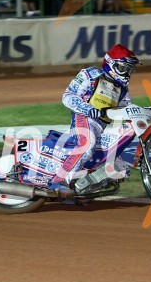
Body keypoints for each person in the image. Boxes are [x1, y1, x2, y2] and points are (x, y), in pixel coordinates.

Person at [48, 44, 141, 193]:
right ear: (111, 64)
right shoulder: (89, 74)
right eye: (123, 68)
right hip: (83, 119)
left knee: (121, 169)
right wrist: (88, 109)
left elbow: (126, 109)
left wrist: (142, 113)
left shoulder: (122, 90)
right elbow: (67, 97)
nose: (126, 73)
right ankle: (58, 181)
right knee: (87, 145)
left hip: (102, 128)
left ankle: (85, 187)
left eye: (129, 70)